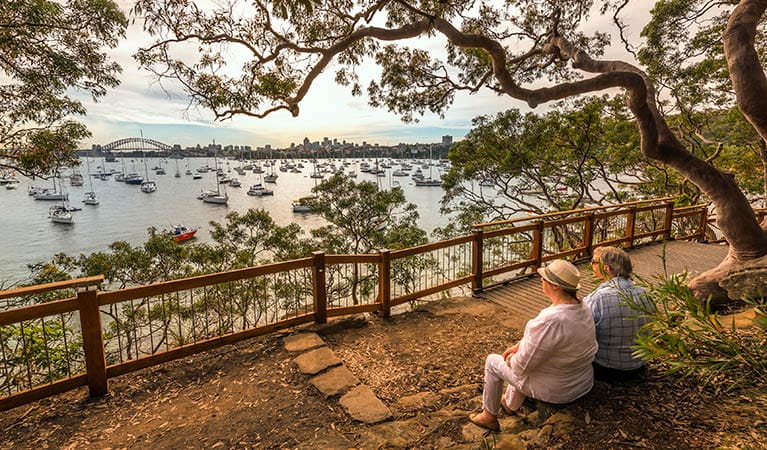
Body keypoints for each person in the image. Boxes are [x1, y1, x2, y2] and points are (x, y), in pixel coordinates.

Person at [469, 259, 597, 432]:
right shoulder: (583, 308)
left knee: (493, 361)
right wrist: (520, 345)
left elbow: (521, 367)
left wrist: (511, 358)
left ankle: (488, 416)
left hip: (558, 390)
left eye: (544, 279)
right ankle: (509, 404)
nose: (541, 281)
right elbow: (544, 346)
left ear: (555, 286)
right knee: (530, 357)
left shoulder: (550, 321)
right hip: (581, 381)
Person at [584, 246, 650, 382]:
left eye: (594, 262)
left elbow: (582, 333)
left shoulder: (598, 298)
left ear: (607, 268)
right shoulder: (644, 292)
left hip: (606, 368)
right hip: (638, 365)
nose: (591, 265)